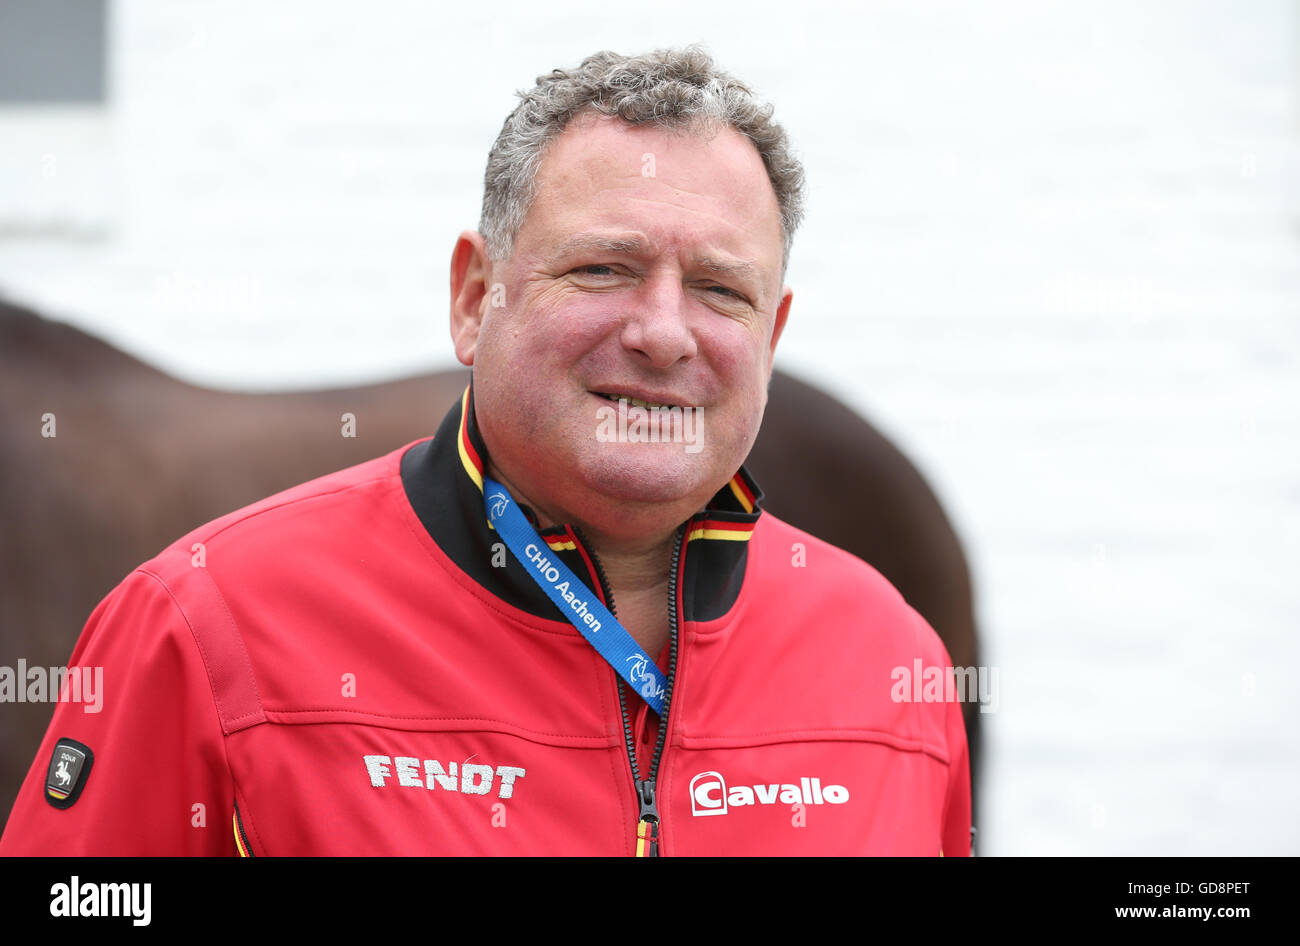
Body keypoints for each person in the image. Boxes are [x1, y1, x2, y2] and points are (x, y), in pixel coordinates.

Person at [0, 46, 970, 856]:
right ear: (474, 298)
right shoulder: (200, 628)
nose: (665, 333)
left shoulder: (893, 665)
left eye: (721, 290)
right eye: (603, 267)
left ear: (772, 334)